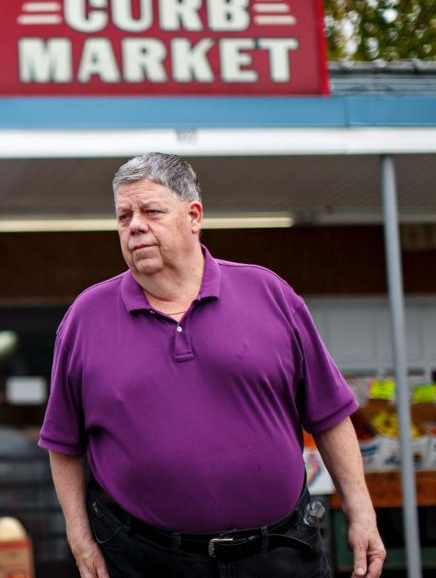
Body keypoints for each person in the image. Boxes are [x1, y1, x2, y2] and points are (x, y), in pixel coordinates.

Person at [39, 153, 385, 578]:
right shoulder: (85, 318)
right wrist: (79, 538)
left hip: (279, 552)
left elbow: (330, 416)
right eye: (124, 215)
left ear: (194, 216)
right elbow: (63, 442)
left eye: (151, 211)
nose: (135, 226)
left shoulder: (269, 295)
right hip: (144, 559)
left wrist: (362, 512)